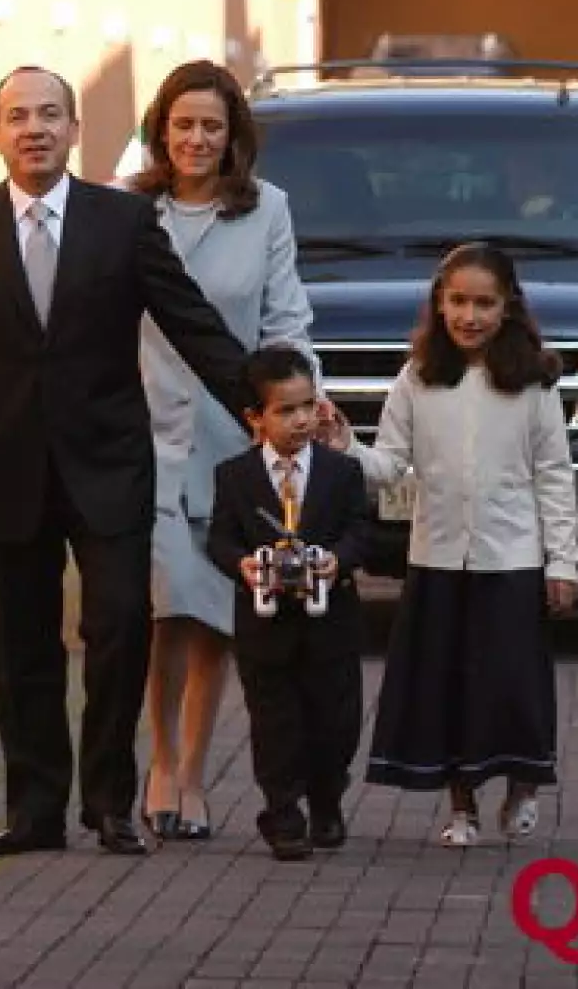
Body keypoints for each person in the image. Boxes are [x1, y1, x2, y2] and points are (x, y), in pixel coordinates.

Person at [0, 66, 250, 858]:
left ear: (73, 130)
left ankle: (110, 803)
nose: (34, 128)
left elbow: (191, 323)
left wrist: (265, 408)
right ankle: (33, 811)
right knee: (22, 645)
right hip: (2, 467)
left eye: (50, 114)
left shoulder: (122, 222)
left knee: (122, 624)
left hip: (111, 466)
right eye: (18, 116)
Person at [322, 242, 577, 847]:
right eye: (458, 301)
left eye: (484, 303)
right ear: (438, 303)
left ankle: (522, 783)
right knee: (447, 684)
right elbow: (388, 463)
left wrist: (561, 561)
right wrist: (345, 446)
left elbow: (554, 475)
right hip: (437, 559)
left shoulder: (534, 381)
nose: (470, 316)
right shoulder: (418, 377)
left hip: (511, 558)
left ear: (508, 306)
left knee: (512, 683)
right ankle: (459, 808)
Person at [129, 60, 317, 841]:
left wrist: (298, 405)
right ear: (161, 131)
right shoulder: (128, 212)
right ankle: (160, 759)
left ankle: (195, 772)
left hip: (233, 434)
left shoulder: (266, 209)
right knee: (163, 608)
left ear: (233, 134)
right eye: (183, 125)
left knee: (215, 613)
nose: (197, 139)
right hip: (142, 432)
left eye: (212, 125)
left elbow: (284, 315)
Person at [207, 346, 370, 860]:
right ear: (255, 418)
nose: (301, 419)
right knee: (274, 722)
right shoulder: (235, 476)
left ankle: (327, 800)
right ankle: (282, 812)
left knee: (335, 721)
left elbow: (362, 533)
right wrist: (244, 565)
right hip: (265, 626)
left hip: (330, 625)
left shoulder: (341, 472)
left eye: (307, 405)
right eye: (285, 410)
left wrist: (337, 560)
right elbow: (220, 540)